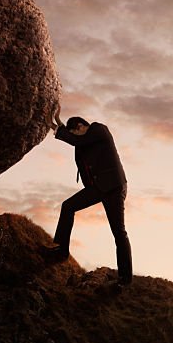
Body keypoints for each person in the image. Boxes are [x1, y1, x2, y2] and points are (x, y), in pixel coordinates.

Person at [45, 105, 133, 286]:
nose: (75, 137)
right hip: (98, 188)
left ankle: (125, 279)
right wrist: (55, 125)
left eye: (75, 133)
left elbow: (75, 141)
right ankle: (61, 251)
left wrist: (57, 124)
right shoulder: (82, 142)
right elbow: (74, 141)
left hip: (114, 187)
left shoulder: (99, 129)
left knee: (119, 233)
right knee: (68, 206)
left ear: (81, 126)